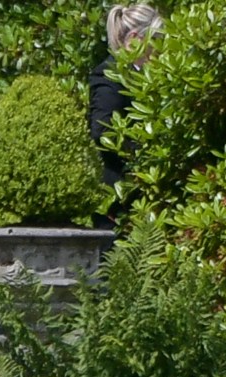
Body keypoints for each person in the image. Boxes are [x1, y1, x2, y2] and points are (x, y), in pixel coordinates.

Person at [89, 3, 163, 222]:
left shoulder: (143, 76)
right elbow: (101, 130)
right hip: (118, 194)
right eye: (155, 39)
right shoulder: (109, 75)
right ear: (135, 38)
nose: (159, 47)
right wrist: (143, 150)